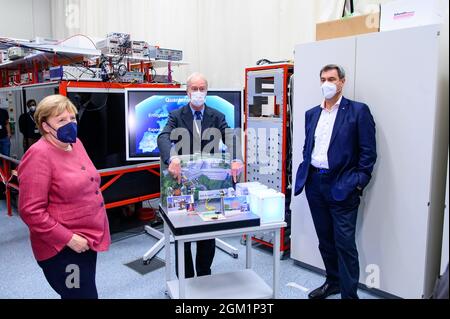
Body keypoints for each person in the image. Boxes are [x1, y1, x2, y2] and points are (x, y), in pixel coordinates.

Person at [294, 64, 377, 299]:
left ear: (342, 81)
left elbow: (368, 153)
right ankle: (333, 282)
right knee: (325, 241)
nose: (326, 84)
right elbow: (307, 147)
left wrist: (358, 182)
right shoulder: (312, 113)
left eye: (331, 79)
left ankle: (349, 295)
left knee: (345, 245)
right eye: (323, 79)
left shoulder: (358, 112)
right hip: (315, 184)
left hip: (343, 186)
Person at [18, 94, 111, 299]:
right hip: (63, 248)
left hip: (86, 240)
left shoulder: (75, 143)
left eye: (72, 118)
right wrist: (69, 239)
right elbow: (30, 211)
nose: (70, 124)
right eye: (61, 120)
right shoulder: (38, 156)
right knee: (81, 296)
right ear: (45, 126)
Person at [157, 72, 243, 278]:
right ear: (187, 92)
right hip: (183, 182)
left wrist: (236, 158)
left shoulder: (217, 115)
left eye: (201, 89)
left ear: (206, 91)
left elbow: (230, 136)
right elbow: (163, 136)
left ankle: (204, 275)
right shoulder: (176, 115)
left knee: (207, 231)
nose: (197, 93)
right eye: (193, 89)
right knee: (182, 231)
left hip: (209, 184)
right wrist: (172, 158)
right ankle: (185, 279)